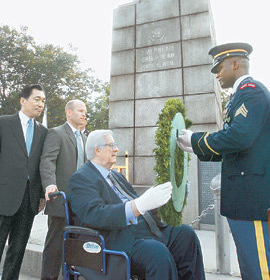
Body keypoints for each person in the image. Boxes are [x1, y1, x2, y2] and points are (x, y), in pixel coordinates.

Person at [177, 42, 270, 280]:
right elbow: (235, 146)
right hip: (244, 198)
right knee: (250, 265)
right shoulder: (239, 95)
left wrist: (197, 139)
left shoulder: (251, 91)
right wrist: (195, 147)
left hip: (252, 199)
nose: (217, 74)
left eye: (219, 68)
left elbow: (240, 137)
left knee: (259, 267)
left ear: (235, 64)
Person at [68, 129, 205, 280]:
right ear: (97, 150)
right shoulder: (81, 178)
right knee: (157, 253)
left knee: (185, 234)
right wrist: (138, 205)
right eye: (111, 145)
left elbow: (143, 208)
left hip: (145, 231)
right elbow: (95, 214)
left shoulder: (116, 176)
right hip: (118, 238)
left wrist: (168, 197)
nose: (116, 149)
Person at [0, 84, 47, 280]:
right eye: (37, 99)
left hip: (29, 201)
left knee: (17, 251)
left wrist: (42, 195)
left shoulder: (43, 132)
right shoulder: (3, 123)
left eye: (43, 101)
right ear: (23, 100)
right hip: (4, 197)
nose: (40, 104)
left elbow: (43, 165)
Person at [40, 99, 87, 280]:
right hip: (60, 200)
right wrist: (50, 184)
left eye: (85, 111)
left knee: (77, 248)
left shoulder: (85, 138)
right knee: (55, 248)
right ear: (69, 112)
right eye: (80, 110)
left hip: (81, 204)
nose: (84, 114)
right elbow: (47, 161)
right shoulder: (57, 133)